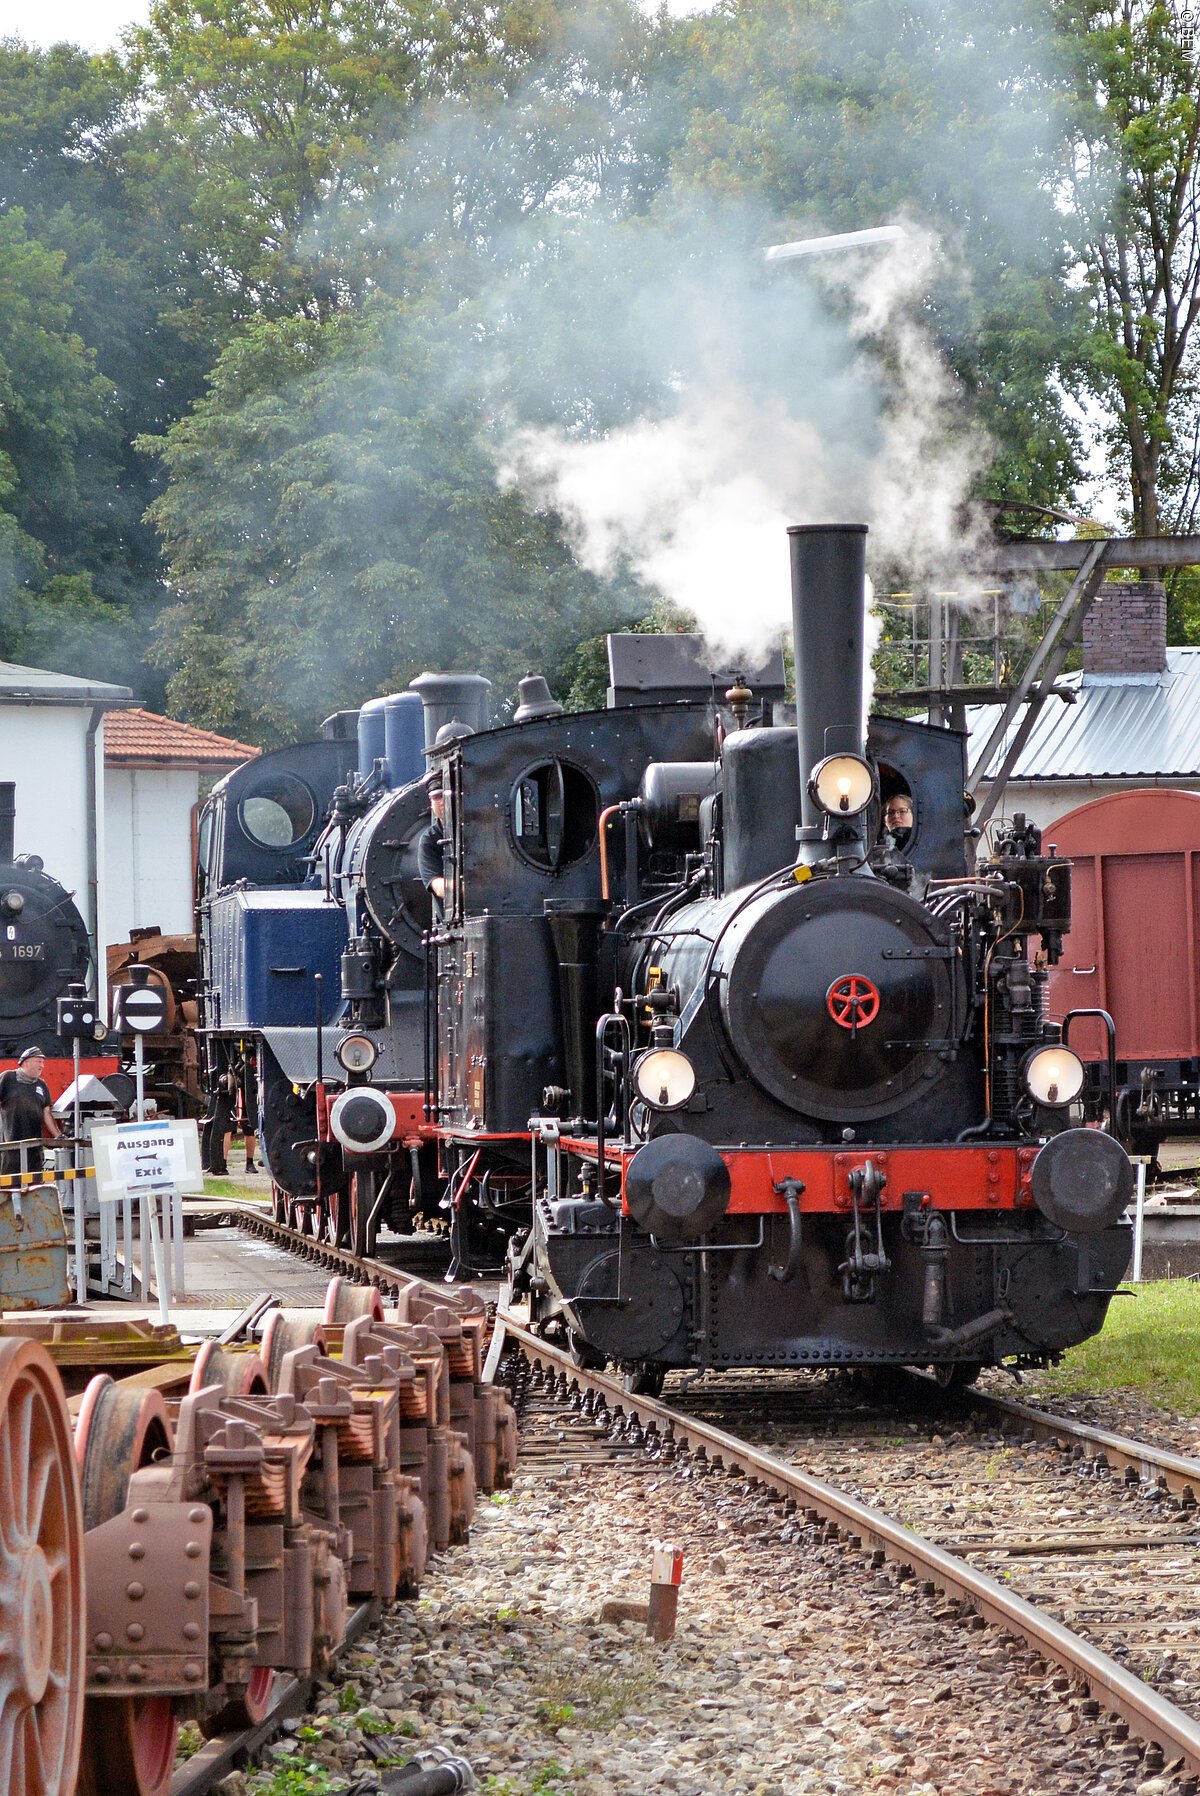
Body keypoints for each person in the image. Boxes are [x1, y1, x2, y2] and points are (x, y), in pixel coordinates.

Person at [0, 1047, 62, 1176]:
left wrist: (59, 1137)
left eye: (43, 1062)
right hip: (11, 1143)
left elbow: (46, 1113)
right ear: (26, 1062)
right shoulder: (8, 1078)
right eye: (39, 1061)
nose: (42, 1066)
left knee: (34, 1180)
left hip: (34, 1144)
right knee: (10, 1181)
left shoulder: (42, 1084)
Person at [417, 773, 447, 913]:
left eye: (446, 795)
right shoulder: (429, 840)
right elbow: (438, 886)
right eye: (437, 797)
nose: (442, 802)